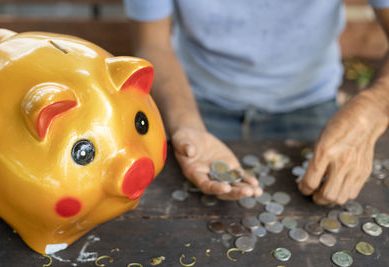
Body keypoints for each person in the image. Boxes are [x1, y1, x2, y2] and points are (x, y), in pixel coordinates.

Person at [124, 0, 389, 204]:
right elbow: (153, 45)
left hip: (311, 101)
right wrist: (188, 125)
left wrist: (374, 107)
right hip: (192, 99)